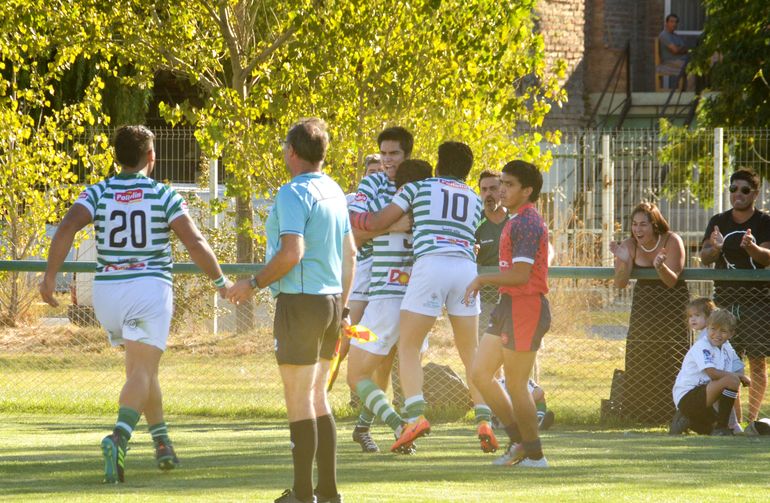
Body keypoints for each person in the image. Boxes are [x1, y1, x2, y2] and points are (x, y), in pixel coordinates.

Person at [38, 125, 231, 483]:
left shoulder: (97, 191)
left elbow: (66, 228)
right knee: (142, 371)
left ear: (117, 157)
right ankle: (118, 437)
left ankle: (162, 442)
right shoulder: (163, 194)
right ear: (151, 157)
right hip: (148, 290)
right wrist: (221, 282)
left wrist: (50, 277)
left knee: (142, 370)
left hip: (108, 294)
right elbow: (194, 240)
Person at [227, 118, 355, 503]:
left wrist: (252, 283)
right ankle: (328, 492)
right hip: (332, 302)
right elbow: (350, 255)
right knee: (317, 396)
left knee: (300, 398)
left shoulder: (292, 193)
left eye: (285, 147)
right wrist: (345, 307)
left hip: (301, 302)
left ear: (292, 152)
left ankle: (302, 495)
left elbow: (292, 253)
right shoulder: (334, 190)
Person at [350, 141, 490, 453]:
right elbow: (474, 232)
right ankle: (484, 419)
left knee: (360, 369)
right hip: (464, 270)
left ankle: (407, 420)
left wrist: (369, 222)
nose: (386, 165)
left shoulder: (416, 191)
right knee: (470, 352)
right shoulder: (472, 197)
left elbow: (366, 227)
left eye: (392, 158)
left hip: (392, 294)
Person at [465, 160, 551, 468]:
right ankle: (519, 443)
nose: (502, 189)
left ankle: (536, 455)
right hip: (508, 306)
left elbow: (520, 275)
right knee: (479, 374)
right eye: (501, 182)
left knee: (516, 384)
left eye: (509, 184)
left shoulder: (527, 222)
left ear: (527, 191)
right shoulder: (514, 220)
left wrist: (481, 278)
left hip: (525, 306)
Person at [348, 159, 433, 454]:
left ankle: (400, 426)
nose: (386, 165)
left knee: (356, 372)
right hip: (417, 303)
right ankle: (365, 427)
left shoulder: (387, 210)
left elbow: (356, 231)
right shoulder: (431, 213)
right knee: (386, 365)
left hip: (383, 301)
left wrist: (387, 226)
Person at [345, 128, 414, 452]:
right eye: (383, 154)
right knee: (349, 337)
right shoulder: (371, 185)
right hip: (366, 280)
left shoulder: (417, 183)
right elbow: (355, 235)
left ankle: (364, 427)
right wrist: (392, 226)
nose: (387, 161)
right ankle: (313, 404)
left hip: (402, 283)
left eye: (393, 154)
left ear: (406, 155)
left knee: (385, 359)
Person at [700, 168, 770, 424]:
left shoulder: (764, 222)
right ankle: (735, 424)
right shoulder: (719, 220)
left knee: (757, 364)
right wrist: (715, 248)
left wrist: (752, 248)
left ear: (755, 193)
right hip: (725, 303)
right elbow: (705, 256)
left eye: (744, 190)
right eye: (733, 189)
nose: (737, 194)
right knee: (728, 363)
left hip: (758, 304)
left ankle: (753, 422)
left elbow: (766, 257)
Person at [609, 202, 689, 423]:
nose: (638, 230)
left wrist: (660, 266)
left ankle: (673, 412)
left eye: (643, 224)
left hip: (672, 303)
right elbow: (620, 283)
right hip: (645, 304)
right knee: (640, 351)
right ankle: (641, 413)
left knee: (671, 354)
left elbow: (672, 282)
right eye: (634, 224)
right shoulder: (629, 245)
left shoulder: (672, 241)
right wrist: (624, 263)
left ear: (654, 225)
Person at [670, 309, 750, 436]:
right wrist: (739, 376)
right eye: (713, 329)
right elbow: (712, 373)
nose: (717, 334)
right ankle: (721, 427)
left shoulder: (726, 349)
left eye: (723, 331)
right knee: (731, 380)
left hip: (707, 399)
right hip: (688, 397)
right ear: (707, 328)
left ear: (731, 334)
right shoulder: (702, 346)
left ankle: (687, 420)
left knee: (709, 429)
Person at [474, 170, 509, 337]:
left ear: (502, 189)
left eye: (493, 188)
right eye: (484, 189)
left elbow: (546, 247)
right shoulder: (475, 222)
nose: (488, 194)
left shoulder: (516, 219)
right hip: (486, 298)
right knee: (485, 347)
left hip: (514, 294)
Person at [658, 14, 690, 87]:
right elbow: (675, 50)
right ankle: (690, 92)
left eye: (676, 22)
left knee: (703, 63)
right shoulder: (664, 35)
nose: (674, 24)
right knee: (691, 67)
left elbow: (685, 48)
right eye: (671, 22)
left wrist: (681, 49)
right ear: (666, 23)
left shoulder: (676, 36)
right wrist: (681, 49)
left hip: (682, 60)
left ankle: (689, 91)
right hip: (670, 62)